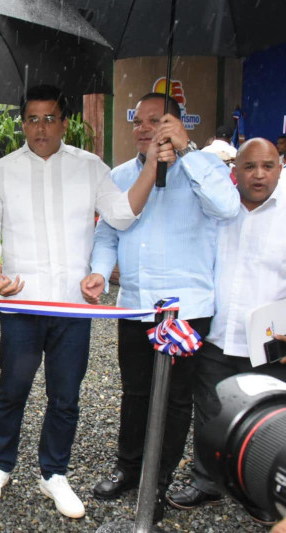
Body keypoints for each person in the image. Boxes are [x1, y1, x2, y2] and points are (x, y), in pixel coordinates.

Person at [0, 85, 156, 519]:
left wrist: (151, 166)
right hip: (22, 302)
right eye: (32, 118)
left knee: (66, 395)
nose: (40, 127)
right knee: (12, 389)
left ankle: (53, 472)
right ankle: (0, 465)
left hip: (73, 306)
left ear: (64, 122)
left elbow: (123, 214)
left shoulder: (90, 167)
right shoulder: (0, 170)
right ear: (22, 122)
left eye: (49, 118)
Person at [85, 93, 239, 522]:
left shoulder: (204, 168)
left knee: (174, 399)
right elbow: (108, 233)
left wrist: (187, 154)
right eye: (139, 121)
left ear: (176, 124)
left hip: (185, 308)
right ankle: (129, 467)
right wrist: (100, 270)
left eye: (157, 121)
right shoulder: (119, 175)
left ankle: (160, 479)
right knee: (135, 391)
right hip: (135, 305)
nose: (144, 129)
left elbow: (227, 209)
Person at [166, 138, 286, 526]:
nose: (259, 175)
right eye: (250, 167)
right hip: (217, 332)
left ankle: (266, 488)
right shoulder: (218, 210)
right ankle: (208, 482)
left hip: (271, 342)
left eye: (268, 166)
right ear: (234, 172)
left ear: (279, 167)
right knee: (212, 410)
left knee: (270, 418)